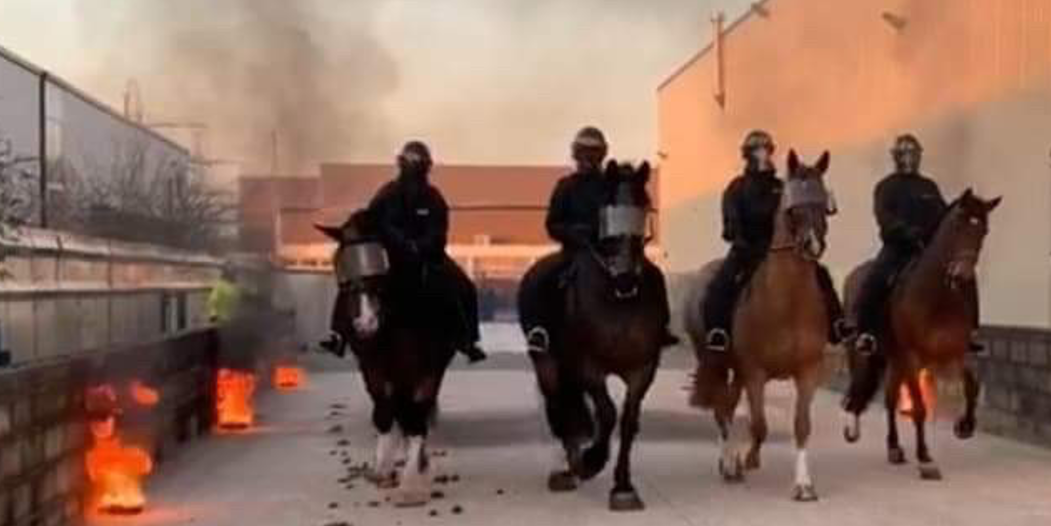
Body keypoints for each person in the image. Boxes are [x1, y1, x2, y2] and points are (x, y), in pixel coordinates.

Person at [520, 126, 676, 354]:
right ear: (576, 155)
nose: (588, 160)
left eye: (593, 155)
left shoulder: (612, 186)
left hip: (610, 250)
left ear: (601, 156)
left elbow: (627, 210)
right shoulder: (566, 187)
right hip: (576, 250)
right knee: (540, 278)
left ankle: (661, 329)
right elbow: (552, 224)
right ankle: (539, 330)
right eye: (584, 154)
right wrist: (575, 233)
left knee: (654, 276)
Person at [330, 140, 487, 362]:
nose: (414, 168)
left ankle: (469, 340)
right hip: (386, 259)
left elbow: (439, 232)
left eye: (419, 163)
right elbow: (368, 219)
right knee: (354, 283)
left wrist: (419, 246)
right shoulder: (386, 194)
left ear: (427, 167)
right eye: (410, 162)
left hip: (427, 258)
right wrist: (351, 229)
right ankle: (337, 335)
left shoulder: (434, 198)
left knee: (464, 287)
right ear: (401, 164)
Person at [701, 129, 851, 353]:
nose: (763, 155)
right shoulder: (737, 187)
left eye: (766, 150)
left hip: (782, 249)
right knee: (720, 284)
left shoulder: (783, 188)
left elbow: (795, 217)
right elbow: (730, 222)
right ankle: (719, 332)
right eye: (757, 151)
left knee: (821, 274)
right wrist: (738, 235)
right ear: (748, 155)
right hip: (747, 248)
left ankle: (836, 325)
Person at [852, 133, 985, 358]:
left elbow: (942, 216)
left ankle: (970, 330)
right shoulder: (886, 187)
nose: (913, 159)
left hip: (927, 250)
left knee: (966, 276)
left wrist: (957, 208)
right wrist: (905, 232)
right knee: (874, 279)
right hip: (897, 248)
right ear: (898, 157)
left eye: (915, 154)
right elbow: (884, 217)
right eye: (908, 154)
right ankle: (865, 333)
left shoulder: (929, 186)